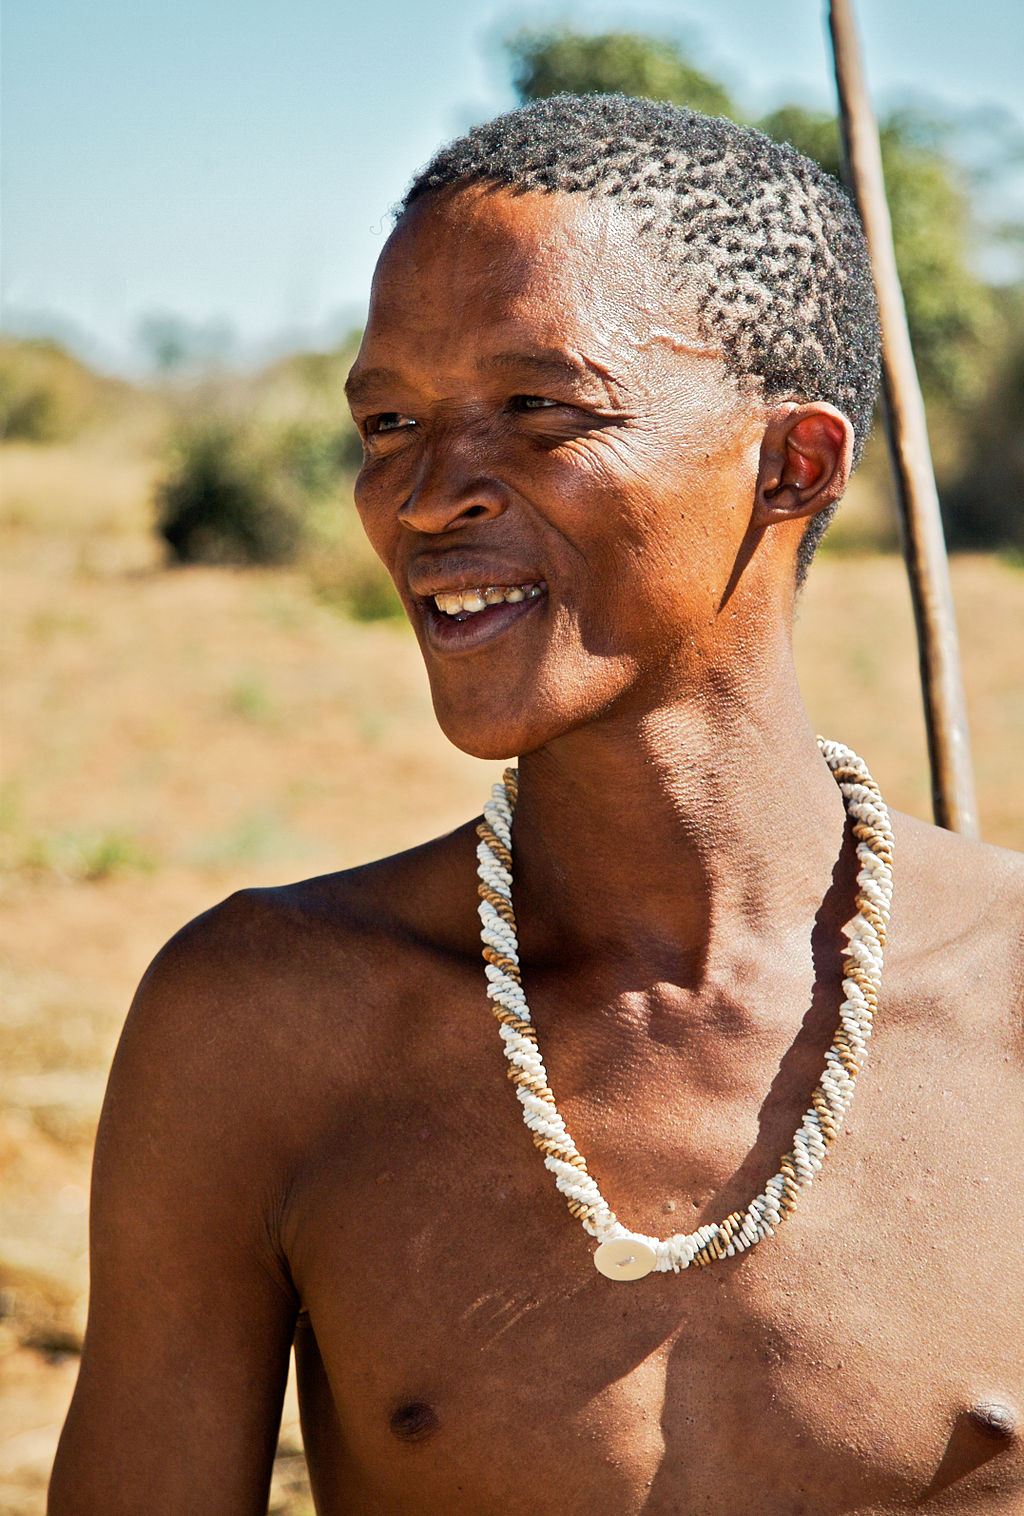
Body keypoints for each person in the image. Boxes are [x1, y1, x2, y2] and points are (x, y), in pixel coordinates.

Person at [50, 95, 1022, 1515]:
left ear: (794, 464)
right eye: (389, 423)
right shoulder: (265, 1028)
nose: (429, 494)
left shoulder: (1006, 1003)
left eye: (539, 408)